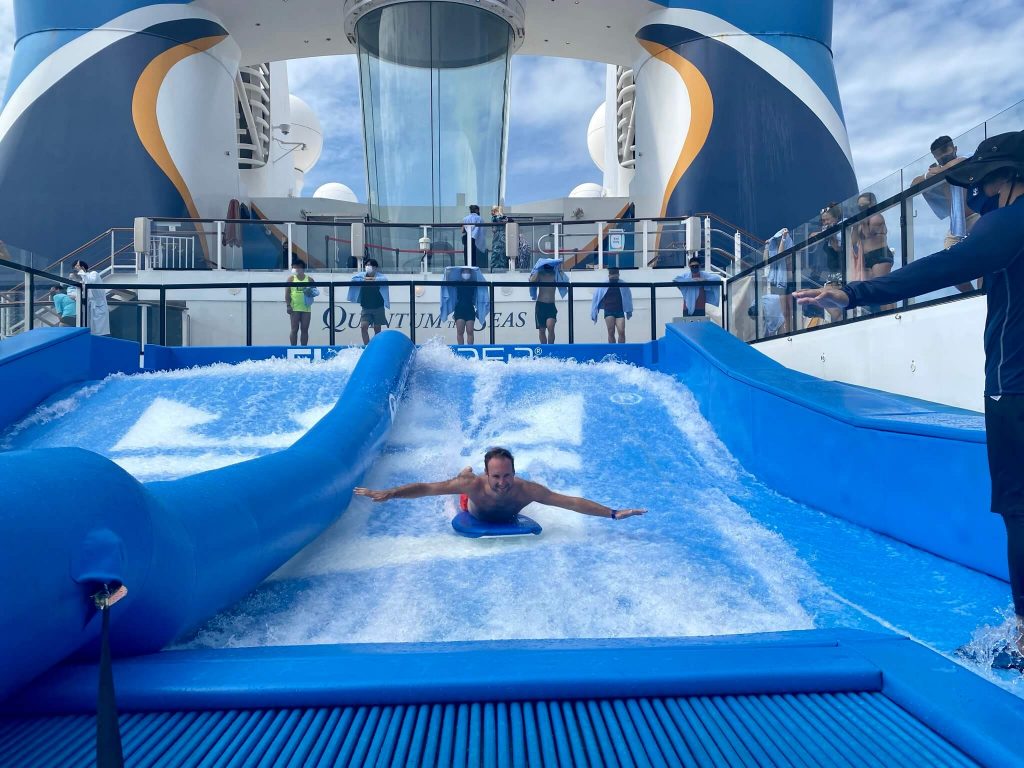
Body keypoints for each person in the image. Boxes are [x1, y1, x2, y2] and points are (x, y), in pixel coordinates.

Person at [794, 131, 1024, 666]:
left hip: (1014, 387)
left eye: (983, 182)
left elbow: (937, 270)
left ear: (1009, 178)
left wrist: (852, 293)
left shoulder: (1008, 223)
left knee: (1019, 509)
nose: (977, 194)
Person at [355, 446, 646, 523]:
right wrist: (391, 493)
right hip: (472, 506)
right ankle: (464, 470)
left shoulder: (527, 490)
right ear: (487, 474)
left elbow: (569, 502)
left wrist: (612, 513)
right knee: (456, 485)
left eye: (507, 475)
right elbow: (427, 488)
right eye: (495, 476)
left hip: (501, 513)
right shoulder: (475, 485)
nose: (503, 482)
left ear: (514, 472)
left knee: (462, 482)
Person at [913, 136, 979, 292]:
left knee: (983, 259)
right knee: (948, 268)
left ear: (954, 149)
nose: (943, 157)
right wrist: (930, 175)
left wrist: (939, 170)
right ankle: (972, 295)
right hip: (956, 226)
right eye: (939, 156)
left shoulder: (968, 159)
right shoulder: (936, 174)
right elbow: (914, 183)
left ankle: (985, 294)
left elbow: (956, 164)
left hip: (977, 217)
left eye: (946, 152)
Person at [439, 266, 489, 345]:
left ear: (470, 273)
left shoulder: (473, 283)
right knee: (460, 332)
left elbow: (482, 282)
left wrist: (477, 271)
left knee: (470, 331)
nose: (466, 274)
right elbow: (447, 282)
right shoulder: (458, 282)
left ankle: (470, 348)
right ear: (461, 273)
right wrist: (447, 271)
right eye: (464, 272)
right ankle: (460, 348)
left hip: (470, 310)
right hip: (459, 309)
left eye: (468, 272)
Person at [347, 258, 390, 345]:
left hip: (378, 307)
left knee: (377, 329)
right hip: (366, 307)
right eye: (366, 265)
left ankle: (376, 346)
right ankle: (367, 346)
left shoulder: (380, 276)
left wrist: (369, 280)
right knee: (363, 327)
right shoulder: (361, 275)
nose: (368, 267)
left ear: (375, 267)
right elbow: (354, 279)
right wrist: (366, 279)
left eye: (370, 265)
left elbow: (384, 280)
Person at [764, 227, 795, 333]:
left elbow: (780, 256)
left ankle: (787, 332)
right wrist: (767, 246)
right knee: (779, 311)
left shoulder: (788, 247)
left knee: (786, 311)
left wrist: (783, 239)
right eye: (776, 239)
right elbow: (766, 261)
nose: (777, 241)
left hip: (785, 282)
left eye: (779, 239)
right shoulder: (774, 248)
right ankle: (782, 333)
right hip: (776, 282)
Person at [529, 258, 567, 344]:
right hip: (540, 305)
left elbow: (564, 281)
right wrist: (537, 269)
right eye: (546, 265)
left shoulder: (555, 274)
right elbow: (531, 281)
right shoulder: (540, 274)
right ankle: (544, 348)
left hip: (551, 305)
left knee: (550, 327)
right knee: (542, 330)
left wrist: (559, 269)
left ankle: (551, 347)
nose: (548, 267)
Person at [590, 267, 632, 343]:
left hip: (619, 310)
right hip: (609, 310)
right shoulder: (604, 285)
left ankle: (621, 348)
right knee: (611, 331)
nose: (614, 279)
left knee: (621, 331)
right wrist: (594, 312)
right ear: (609, 276)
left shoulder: (623, 284)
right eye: (612, 277)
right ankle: (612, 348)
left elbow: (628, 297)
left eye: (615, 277)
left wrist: (629, 311)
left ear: (618, 275)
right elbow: (596, 298)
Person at [71, 260, 109, 336]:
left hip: (98, 306)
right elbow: (83, 294)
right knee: (91, 331)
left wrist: (80, 271)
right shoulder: (83, 280)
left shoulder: (94, 274)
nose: (77, 273)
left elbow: (90, 281)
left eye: (77, 270)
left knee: (100, 331)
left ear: (82, 268)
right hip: (90, 307)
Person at [285, 258, 317, 345]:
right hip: (294, 308)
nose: (294, 270)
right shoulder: (291, 279)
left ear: (300, 268)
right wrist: (288, 305)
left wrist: (309, 291)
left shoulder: (309, 279)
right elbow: (287, 293)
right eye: (293, 268)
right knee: (294, 329)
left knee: (305, 329)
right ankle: (293, 348)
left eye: (295, 268)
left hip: (306, 308)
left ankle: (304, 348)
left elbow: (315, 292)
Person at [489, 206, 508, 271]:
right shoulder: (504, 217)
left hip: (497, 236)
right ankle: (502, 268)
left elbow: (494, 229)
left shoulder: (494, 218)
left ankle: (494, 268)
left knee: (495, 252)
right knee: (502, 252)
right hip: (502, 236)